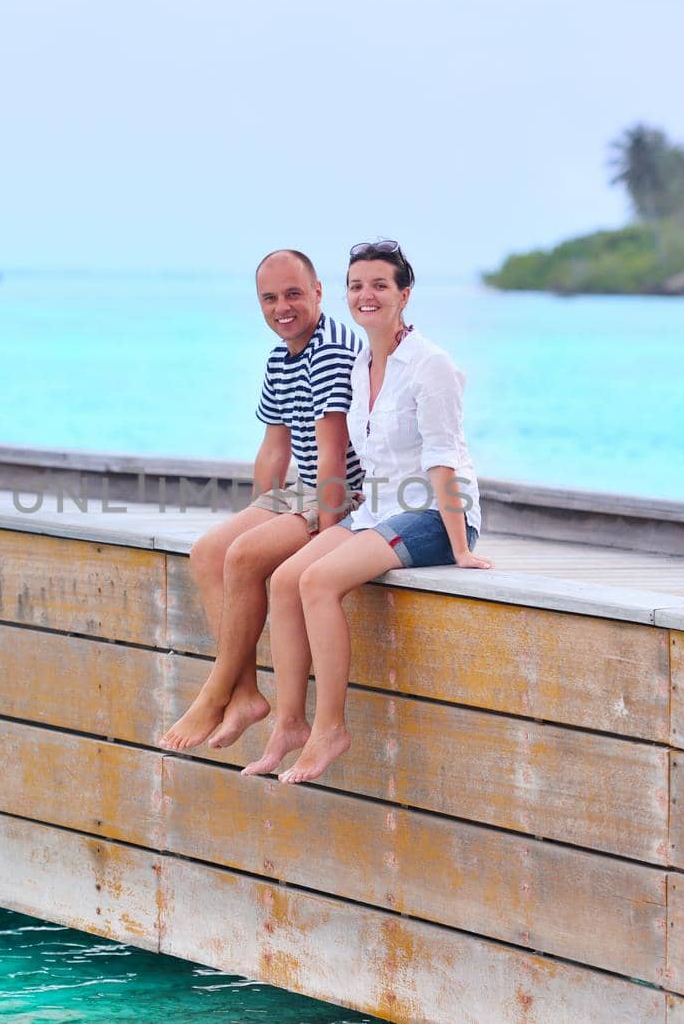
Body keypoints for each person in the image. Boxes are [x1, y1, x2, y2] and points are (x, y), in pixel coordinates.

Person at [242, 240, 492, 783]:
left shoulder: (431, 366)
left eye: (379, 285)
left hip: (432, 514)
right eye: (357, 285)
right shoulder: (360, 363)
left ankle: (331, 728)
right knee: (286, 579)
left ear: (404, 294)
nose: (366, 295)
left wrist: (462, 546)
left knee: (319, 582)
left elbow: (442, 459)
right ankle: (289, 724)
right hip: (377, 509)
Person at [157, 249, 364, 752]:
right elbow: (275, 449)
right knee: (210, 551)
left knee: (245, 556)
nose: (281, 308)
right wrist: (258, 521)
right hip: (302, 489)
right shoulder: (280, 358)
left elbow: (333, 452)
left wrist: (326, 532)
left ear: (318, 291)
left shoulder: (332, 348)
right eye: (269, 298)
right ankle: (246, 693)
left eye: (293, 294)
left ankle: (214, 693)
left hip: (347, 492)